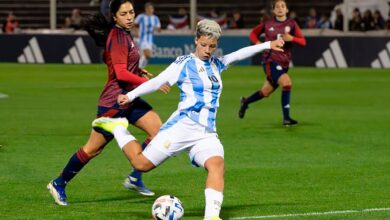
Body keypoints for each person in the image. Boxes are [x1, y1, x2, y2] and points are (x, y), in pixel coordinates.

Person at [91, 19, 284, 220]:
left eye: (212, 46)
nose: (207, 50)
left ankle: (212, 217)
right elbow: (158, 81)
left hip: (206, 133)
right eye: (203, 45)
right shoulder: (184, 63)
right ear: (196, 41)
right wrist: (130, 96)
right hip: (181, 127)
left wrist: (268, 45)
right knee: (141, 165)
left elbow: (237, 55)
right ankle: (118, 128)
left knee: (217, 165)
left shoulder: (217, 64)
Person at [47, 0, 170, 206]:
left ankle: (135, 177)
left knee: (159, 131)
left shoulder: (123, 34)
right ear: (114, 16)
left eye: (131, 12)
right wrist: (152, 83)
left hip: (130, 97)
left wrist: (138, 72)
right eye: (124, 13)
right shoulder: (118, 37)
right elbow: (120, 73)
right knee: (92, 149)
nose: (129, 17)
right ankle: (59, 182)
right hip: (114, 103)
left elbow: (120, 65)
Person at [238, 0, 306, 126]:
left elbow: (303, 42)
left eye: (283, 6)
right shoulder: (268, 23)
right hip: (270, 61)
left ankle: (245, 102)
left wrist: (292, 38)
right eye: (277, 6)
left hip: (284, 64)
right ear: (274, 10)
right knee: (287, 83)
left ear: (287, 10)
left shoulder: (292, 24)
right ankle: (286, 119)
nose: (280, 8)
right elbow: (253, 34)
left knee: (265, 92)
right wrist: (259, 45)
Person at [135, 2, 161, 69]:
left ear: (153, 9)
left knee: (146, 56)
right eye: (148, 8)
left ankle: (139, 69)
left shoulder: (155, 18)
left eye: (151, 8)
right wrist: (137, 32)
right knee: (147, 54)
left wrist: (157, 29)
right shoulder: (141, 17)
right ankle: (139, 69)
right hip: (142, 38)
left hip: (150, 39)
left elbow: (158, 29)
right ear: (145, 9)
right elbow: (134, 24)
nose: (150, 10)